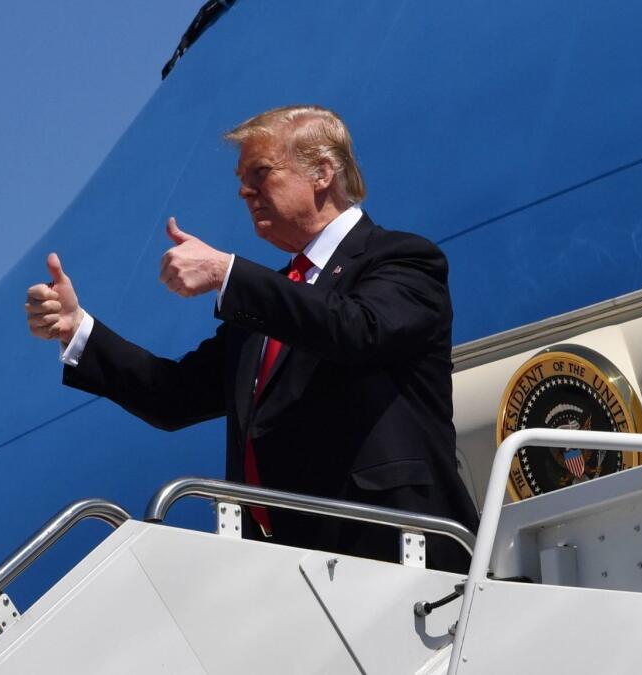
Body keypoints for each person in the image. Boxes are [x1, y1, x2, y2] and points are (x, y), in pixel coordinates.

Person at [25, 105, 478, 572]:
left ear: (322, 172)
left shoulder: (402, 259)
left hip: (396, 554)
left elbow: (357, 330)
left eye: (260, 173)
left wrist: (227, 273)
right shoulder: (269, 303)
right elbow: (173, 397)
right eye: (242, 178)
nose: (244, 191)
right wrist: (78, 329)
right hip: (283, 571)